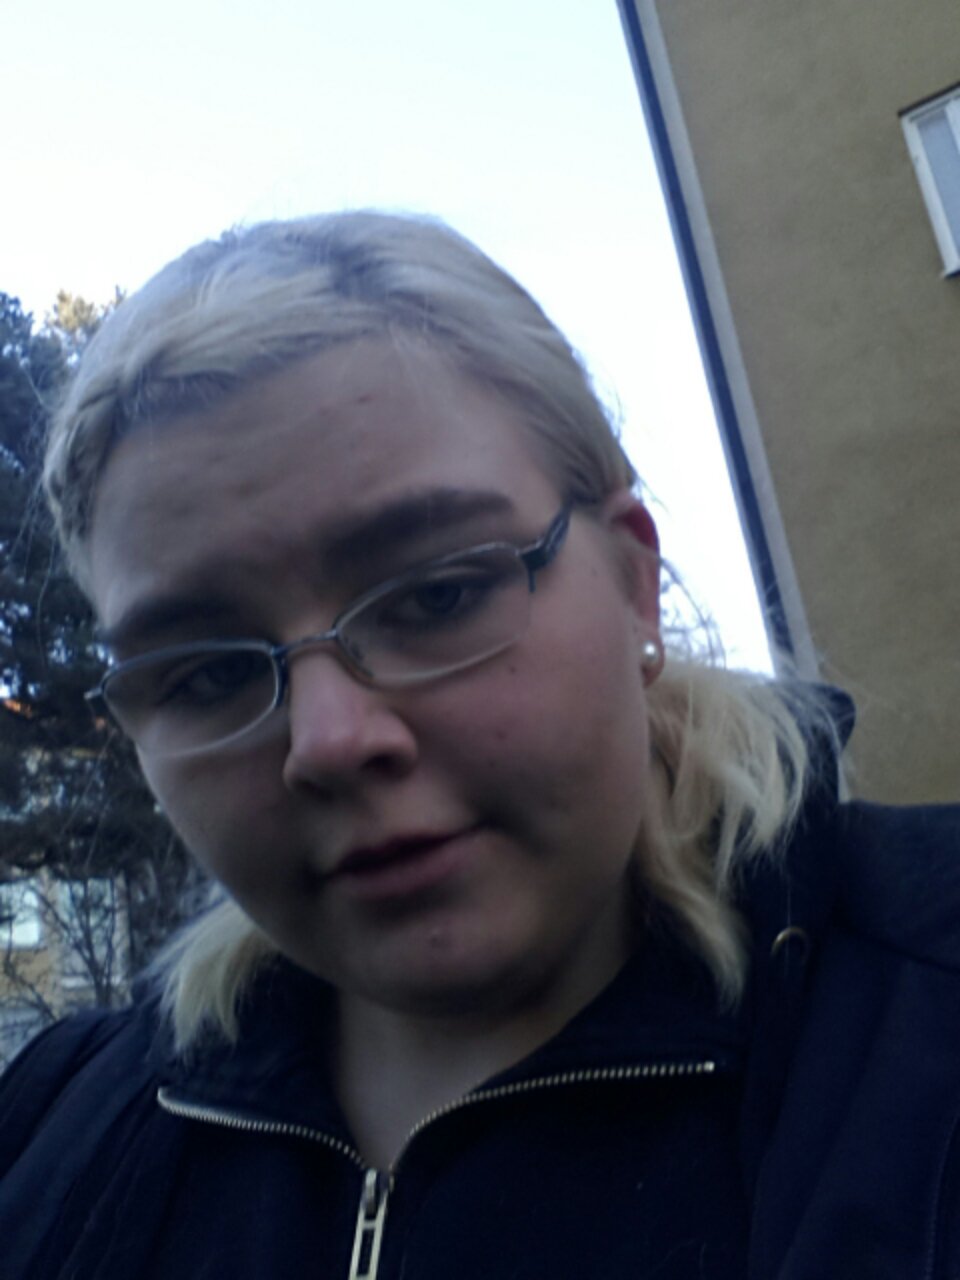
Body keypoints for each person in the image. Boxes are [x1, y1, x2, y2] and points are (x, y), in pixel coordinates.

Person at [0, 211, 958, 1280]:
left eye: (438, 594)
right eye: (209, 674)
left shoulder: (921, 1018)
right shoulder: (52, 1133)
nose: (329, 741)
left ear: (634, 581)